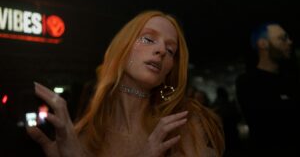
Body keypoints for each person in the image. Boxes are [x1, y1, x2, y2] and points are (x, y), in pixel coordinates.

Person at [26, 10, 225, 157]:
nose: (162, 50)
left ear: (168, 71)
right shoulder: (84, 136)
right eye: (148, 39)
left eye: (171, 50)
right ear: (122, 49)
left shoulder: (183, 126)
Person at [235, 22, 299, 156]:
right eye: (282, 38)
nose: (290, 42)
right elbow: (270, 125)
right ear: (263, 44)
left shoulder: (291, 79)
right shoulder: (248, 82)